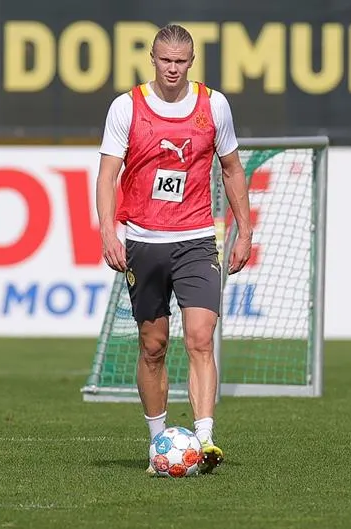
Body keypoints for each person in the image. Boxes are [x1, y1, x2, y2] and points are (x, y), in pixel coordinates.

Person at [95, 23, 253, 475]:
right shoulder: (126, 107)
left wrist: (244, 231)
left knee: (201, 337)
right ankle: (158, 441)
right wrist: (108, 231)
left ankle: (204, 439)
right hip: (144, 241)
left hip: (196, 238)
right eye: (165, 60)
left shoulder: (214, 105)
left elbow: (232, 169)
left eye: (181, 61)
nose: (172, 68)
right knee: (154, 345)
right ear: (152, 58)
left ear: (192, 62)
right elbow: (107, 175)